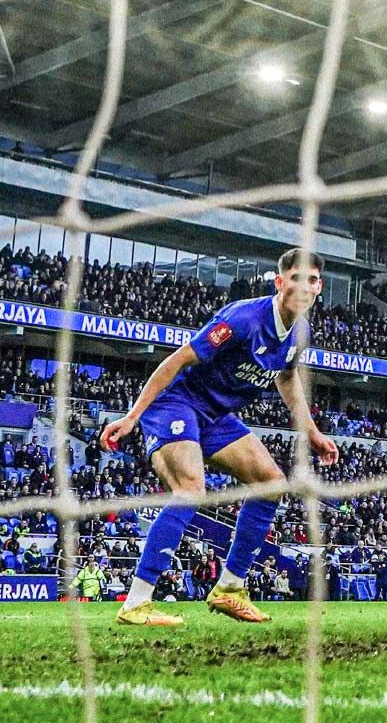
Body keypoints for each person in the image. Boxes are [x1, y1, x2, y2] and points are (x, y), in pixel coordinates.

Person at [100, 248, 339, 626]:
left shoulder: (301, 331)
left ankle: (230, 588)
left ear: (319, 287)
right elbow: (177, 359)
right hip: (176, 403)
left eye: (311, 280)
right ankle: (136, 603)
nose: (303, 286)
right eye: (295, 278)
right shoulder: (242, 319)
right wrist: (133, 416)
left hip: (215, 416)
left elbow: (287, 375)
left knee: (271, 483)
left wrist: (311, 432)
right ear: (280, 283)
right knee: (191, 488)